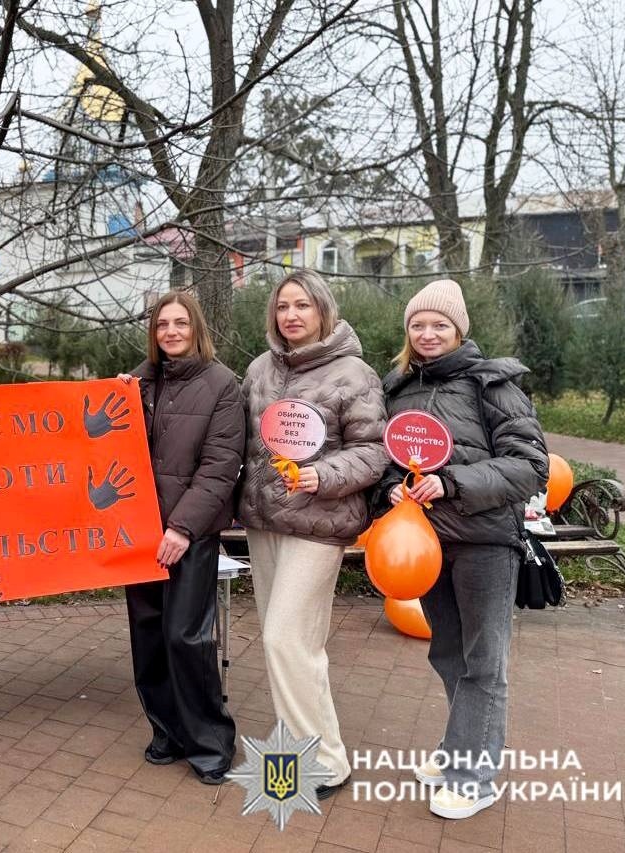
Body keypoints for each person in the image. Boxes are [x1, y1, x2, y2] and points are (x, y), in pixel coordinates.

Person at [374, 279, 548, 820]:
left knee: (483, 662)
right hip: (423, 546)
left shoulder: (492, 383)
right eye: (418, 325)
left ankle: (475, 775)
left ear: (459, 330)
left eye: (440, 325)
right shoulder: (396, 388)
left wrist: (452, 483)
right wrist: (390, 491)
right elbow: (382, 465)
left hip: (484, 542)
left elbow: (530, 465)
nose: (428, 334)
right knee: (447, 652)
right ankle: (460, 748)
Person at [237, 270, 388, 799]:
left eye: (302, 305)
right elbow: (233, 432)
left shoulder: (355, 374)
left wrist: (323, 475)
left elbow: (374, 450)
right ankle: (313, 752)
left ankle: (321, 763)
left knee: (284, 637)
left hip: (320, 522)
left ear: (323, 309)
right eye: (283, 306)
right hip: (264, 521)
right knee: (295, 645)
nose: (291, 315)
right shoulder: (259, 370)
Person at [118, 290, 245, 784]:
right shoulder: (138, 383)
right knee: (147, 636)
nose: (171, 332)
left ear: (197, 329)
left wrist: (182, 527)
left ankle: (211, 741)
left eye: (180, 323)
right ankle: (166, 730)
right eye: (162, 324)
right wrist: (114, 396)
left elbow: (219, 468)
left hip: (188, 533)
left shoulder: (222, 386)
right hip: (137, 533)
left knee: (186, 636)